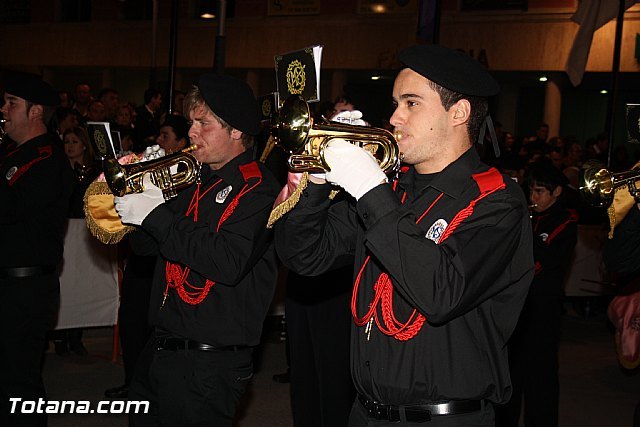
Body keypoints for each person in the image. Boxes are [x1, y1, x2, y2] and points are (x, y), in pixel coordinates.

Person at [274, 44, 534, 426]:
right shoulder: (390, 189)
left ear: (459, 113)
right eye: (395, 103)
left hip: (445, 417)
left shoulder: (497, 200)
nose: (394, 117)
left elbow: (441, 292)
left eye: (411, 103)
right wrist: (317, 184)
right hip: (364, 413)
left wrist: (368, 188)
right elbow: (303, 257)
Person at [114, 73, 280, 426]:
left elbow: (227, 261)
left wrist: (156, 216)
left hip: (209, 363)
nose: (191, 132)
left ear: (236, 130)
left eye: (203, 123)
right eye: (191, 122)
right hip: (160, 349)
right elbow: (147, 249)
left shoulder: (260, 188)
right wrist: (139, 196)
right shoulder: (195, 179)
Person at [0, 72, 74, 426]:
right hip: (8, 285)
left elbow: (11, 209)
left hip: (25, 288)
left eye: (12, 103)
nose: (3, 109)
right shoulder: (13, 154)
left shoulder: (48, 160)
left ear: (35, 112)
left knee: (19, 383)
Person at [495, 159, 578, 427]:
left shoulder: (565, 221)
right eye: (530, 190)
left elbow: (541, 261)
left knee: (540, 382)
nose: (533, 197)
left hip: (543, 310)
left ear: (556, 193)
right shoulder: (530, 215)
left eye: (540, 192)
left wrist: (521, 227)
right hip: (518, 309)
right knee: (510, 376)